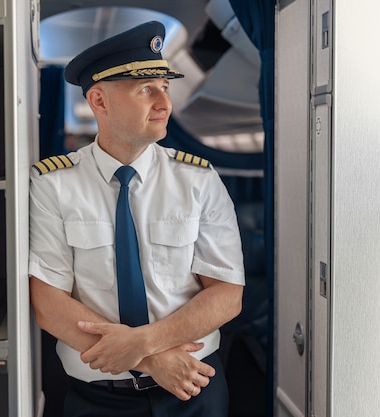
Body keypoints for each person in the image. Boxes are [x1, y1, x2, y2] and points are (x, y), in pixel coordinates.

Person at [29, 20, 245, 417]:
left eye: (165, 88)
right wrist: (150, 360)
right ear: (99, 101)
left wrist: (142, 342)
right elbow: (48, 302)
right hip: (96, 397)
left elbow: (227, 294)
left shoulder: (199, 180)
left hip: (193, 387)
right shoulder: (52, 184)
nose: (164, 103)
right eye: (146, 89)